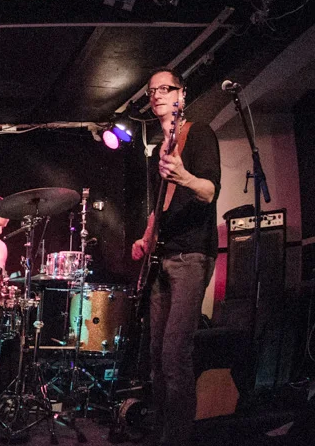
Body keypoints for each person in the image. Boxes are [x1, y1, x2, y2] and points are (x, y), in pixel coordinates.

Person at [131, 69, 221, 446]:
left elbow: (210, 191)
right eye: (152, 91)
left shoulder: (199, 134)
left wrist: (184, 176)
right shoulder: (159, 149)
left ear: (181, 95)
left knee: (174, 355)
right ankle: (161, 435)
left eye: (164, 89)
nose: (156, 95)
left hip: (191, 255)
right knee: (155, 356)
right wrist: (147, 236)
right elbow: (160, 207)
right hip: (163, 258)